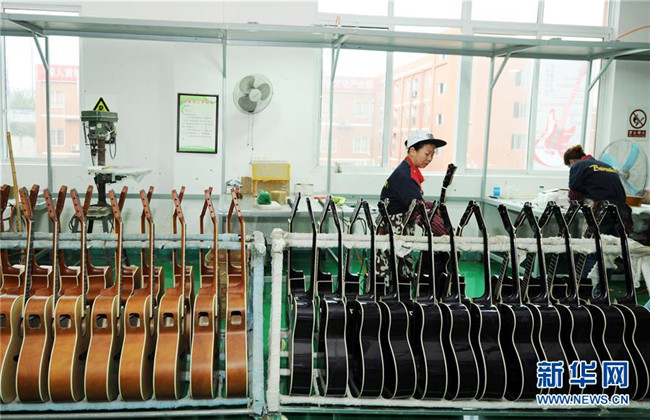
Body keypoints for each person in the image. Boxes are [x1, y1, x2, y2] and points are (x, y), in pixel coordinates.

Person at [377, 130, 449, 296]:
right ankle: (388, 305)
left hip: (399, 230)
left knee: (400, 271)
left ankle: (397, 301)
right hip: (393, 231)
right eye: (427, 154)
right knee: (391, 275)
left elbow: (415, 201)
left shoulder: (408, 170)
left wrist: (433, 206)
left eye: (433, 154)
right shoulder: (406, 176)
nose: (429, 158)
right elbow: (418, 211)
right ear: (412, 150)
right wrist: (445, 233)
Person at [563, 144, 633, 288]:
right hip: (621, 212)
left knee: (592, 249)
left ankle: (585, 289)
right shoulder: (606, 166)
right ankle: (602, 290)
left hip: (602, 212)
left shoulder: (579, 166)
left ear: (571, 161)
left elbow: (575, 194)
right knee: (608, 252)